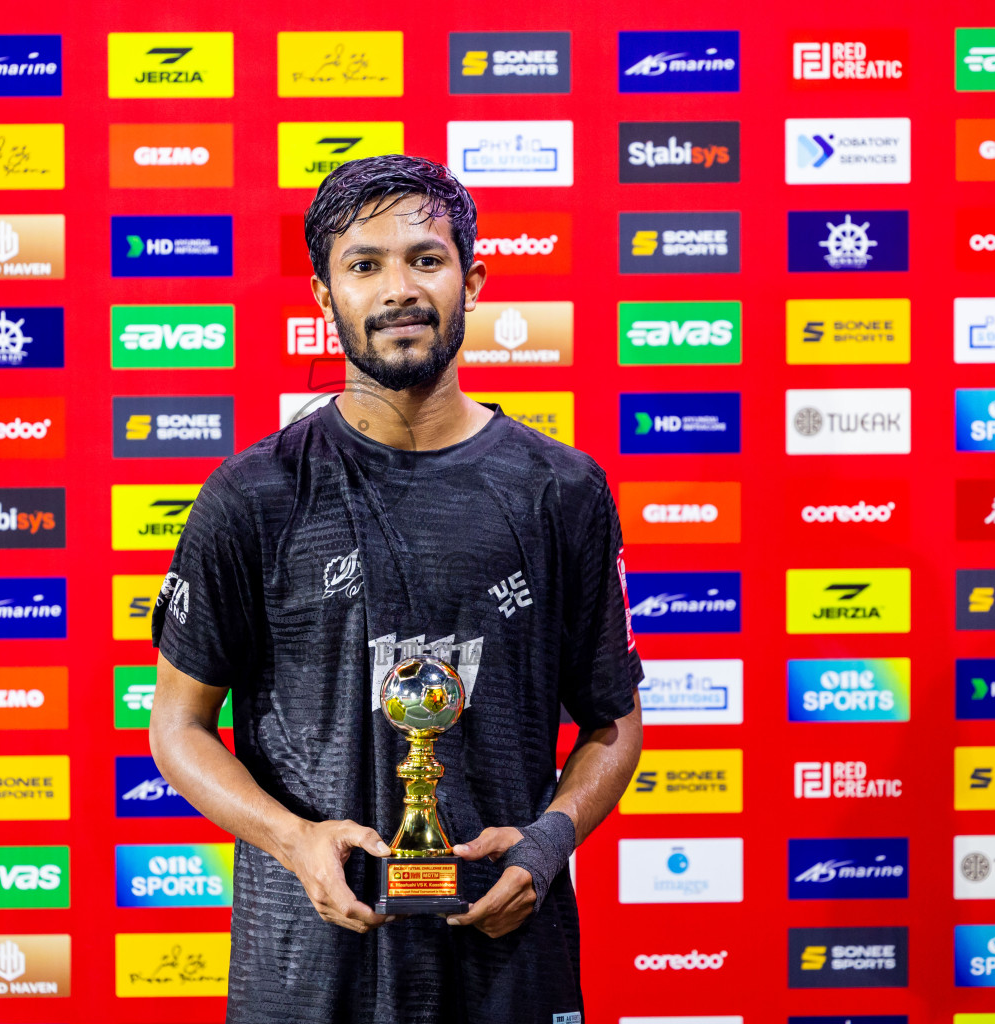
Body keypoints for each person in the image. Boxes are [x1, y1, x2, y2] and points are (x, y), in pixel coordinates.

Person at [149, 153, 644, 1024]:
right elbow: (178, 728)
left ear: (473, 278)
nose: (398, 291)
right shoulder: (254, 495)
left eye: (425, 258)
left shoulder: (560, 490)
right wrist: (295, 841)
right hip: (307, 970)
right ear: (322, 293)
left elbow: (614, 721)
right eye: (364, 264)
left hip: (504, 958)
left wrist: (547, 843)